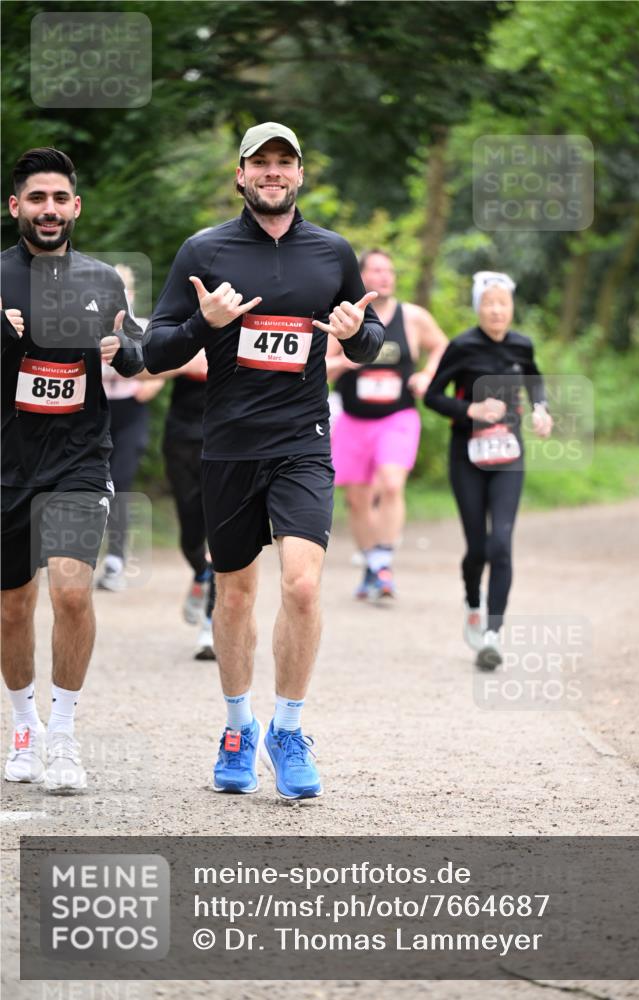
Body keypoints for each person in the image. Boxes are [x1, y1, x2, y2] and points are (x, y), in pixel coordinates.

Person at [143, 122, 384, 799]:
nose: (272, 172)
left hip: (303, 441)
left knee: (302, 586)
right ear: (241, 175)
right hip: (229, 445)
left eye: (284, 162)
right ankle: (236, 728)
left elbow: (369, 338)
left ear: (300, 174)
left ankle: (289, 729)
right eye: (260, 163)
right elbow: (154, 351)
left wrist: (356, 335)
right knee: (236, 593)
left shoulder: (331, 252)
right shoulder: (204, 250)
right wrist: (205, 324)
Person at [1, 147, 144, 790]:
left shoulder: (102, 279)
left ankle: (63, 732)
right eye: (37, 198)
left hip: (80, 460)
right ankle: (24, 726)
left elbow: (136, 349)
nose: (49, 209)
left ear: (76, 206)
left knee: (71, 591)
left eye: (60, 198)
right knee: (13, 607)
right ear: (16, 206)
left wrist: (126, 348)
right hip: (7, 464)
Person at [424, 271, 552, 668]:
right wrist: (471, 409)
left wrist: (541, 409)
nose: (497, 310)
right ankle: (472, 601)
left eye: (503, 303)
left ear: (512, 308)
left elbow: (534, 381)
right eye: (489, 303)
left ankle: (493, 633)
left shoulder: (521, 345)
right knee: (478, 547)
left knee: (501, 544)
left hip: (509, 454)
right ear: (478, 307)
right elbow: (432, 396)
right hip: (467, 455)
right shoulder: (462, 346)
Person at [327, 249, 447, 599]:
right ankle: (372, 565)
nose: (385, 276)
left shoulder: (413, 317)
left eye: (389, 271)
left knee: (392, 485)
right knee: (357, 499)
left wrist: (427, 375)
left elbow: (442, 346)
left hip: (398, 417)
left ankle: (382, 562)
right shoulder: (346, 318)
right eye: (377, 270)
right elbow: (319, 364)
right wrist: (342, 364)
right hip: (353, 419)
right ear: (361, 276)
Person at [97, 264, 163, 593]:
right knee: (90, 484)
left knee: (120, 482)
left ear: (132, 294)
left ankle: (115, 560)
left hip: (130, 411)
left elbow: (165, 362)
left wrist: (155, 382)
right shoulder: (82, 325)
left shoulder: (145, 327)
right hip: (95, 412)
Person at [161, 348, 216, 660]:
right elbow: (140, 370)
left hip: (227, 439)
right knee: (191, 536)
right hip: (181, 437)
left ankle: (210, 626)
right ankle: (201, 573)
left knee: (221, 534)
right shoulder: (182, 324)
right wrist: (182, 362)